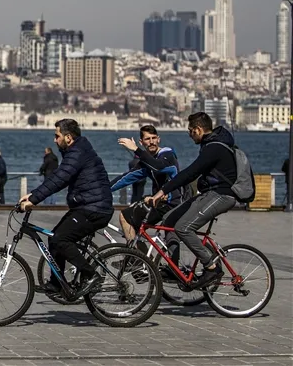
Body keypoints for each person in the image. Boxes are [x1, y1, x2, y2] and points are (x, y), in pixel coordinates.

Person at [19, 119, 113, 298]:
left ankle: (91, 275)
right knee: (54, 238)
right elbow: (58, 178)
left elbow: (61, 177)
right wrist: (33, 194)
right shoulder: (75, 151)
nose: (54, 140)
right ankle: (57, 284)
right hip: (86, 206)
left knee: (61, 239)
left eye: (57, 136)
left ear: (68, 137)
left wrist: (35, 199)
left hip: (95, 208)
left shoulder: (77, 152)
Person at [147, 112, 240, 290]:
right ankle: (173, 267)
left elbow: (191, 172)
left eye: (190, 131)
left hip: (222, 196)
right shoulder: (209, 145)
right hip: (209, 194)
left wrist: (162, 191)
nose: (189, 135)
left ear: (198, 130)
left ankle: (211, 268)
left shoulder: (214, 147)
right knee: (170, 220)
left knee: (183, 227)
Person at [110, 125, 189, 246]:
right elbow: (126, 178)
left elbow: (158, 167)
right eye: (147, 139)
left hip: (175, 203)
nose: (151, 142)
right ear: (142, 142)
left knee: (170, 236)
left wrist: (136, 149)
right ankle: (140, 259)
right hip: (159, 203)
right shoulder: (147, 162)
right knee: (128, 218)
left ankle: (139, 260)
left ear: (159, 139)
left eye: (154, 138)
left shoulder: (167, 155)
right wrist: (102, 190)